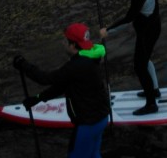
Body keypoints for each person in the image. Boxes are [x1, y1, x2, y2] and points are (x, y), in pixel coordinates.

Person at [13, 23, 110, 158]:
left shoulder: (75, 66)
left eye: (65, 41)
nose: (62, 43)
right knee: (93, 154)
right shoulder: (90, 58)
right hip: (101, 118)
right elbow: (62, 86)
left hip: (88, 124)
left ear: (73, 45)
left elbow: (45, 78)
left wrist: (23, 65)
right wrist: (37, 99)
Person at [91, 0, 162, 115]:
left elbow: (129, 18)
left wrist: (108, 30)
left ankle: (151, 104)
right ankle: (154, 91)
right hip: (151, 27)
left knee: (139, 66)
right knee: (145, 60)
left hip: (148, 31)